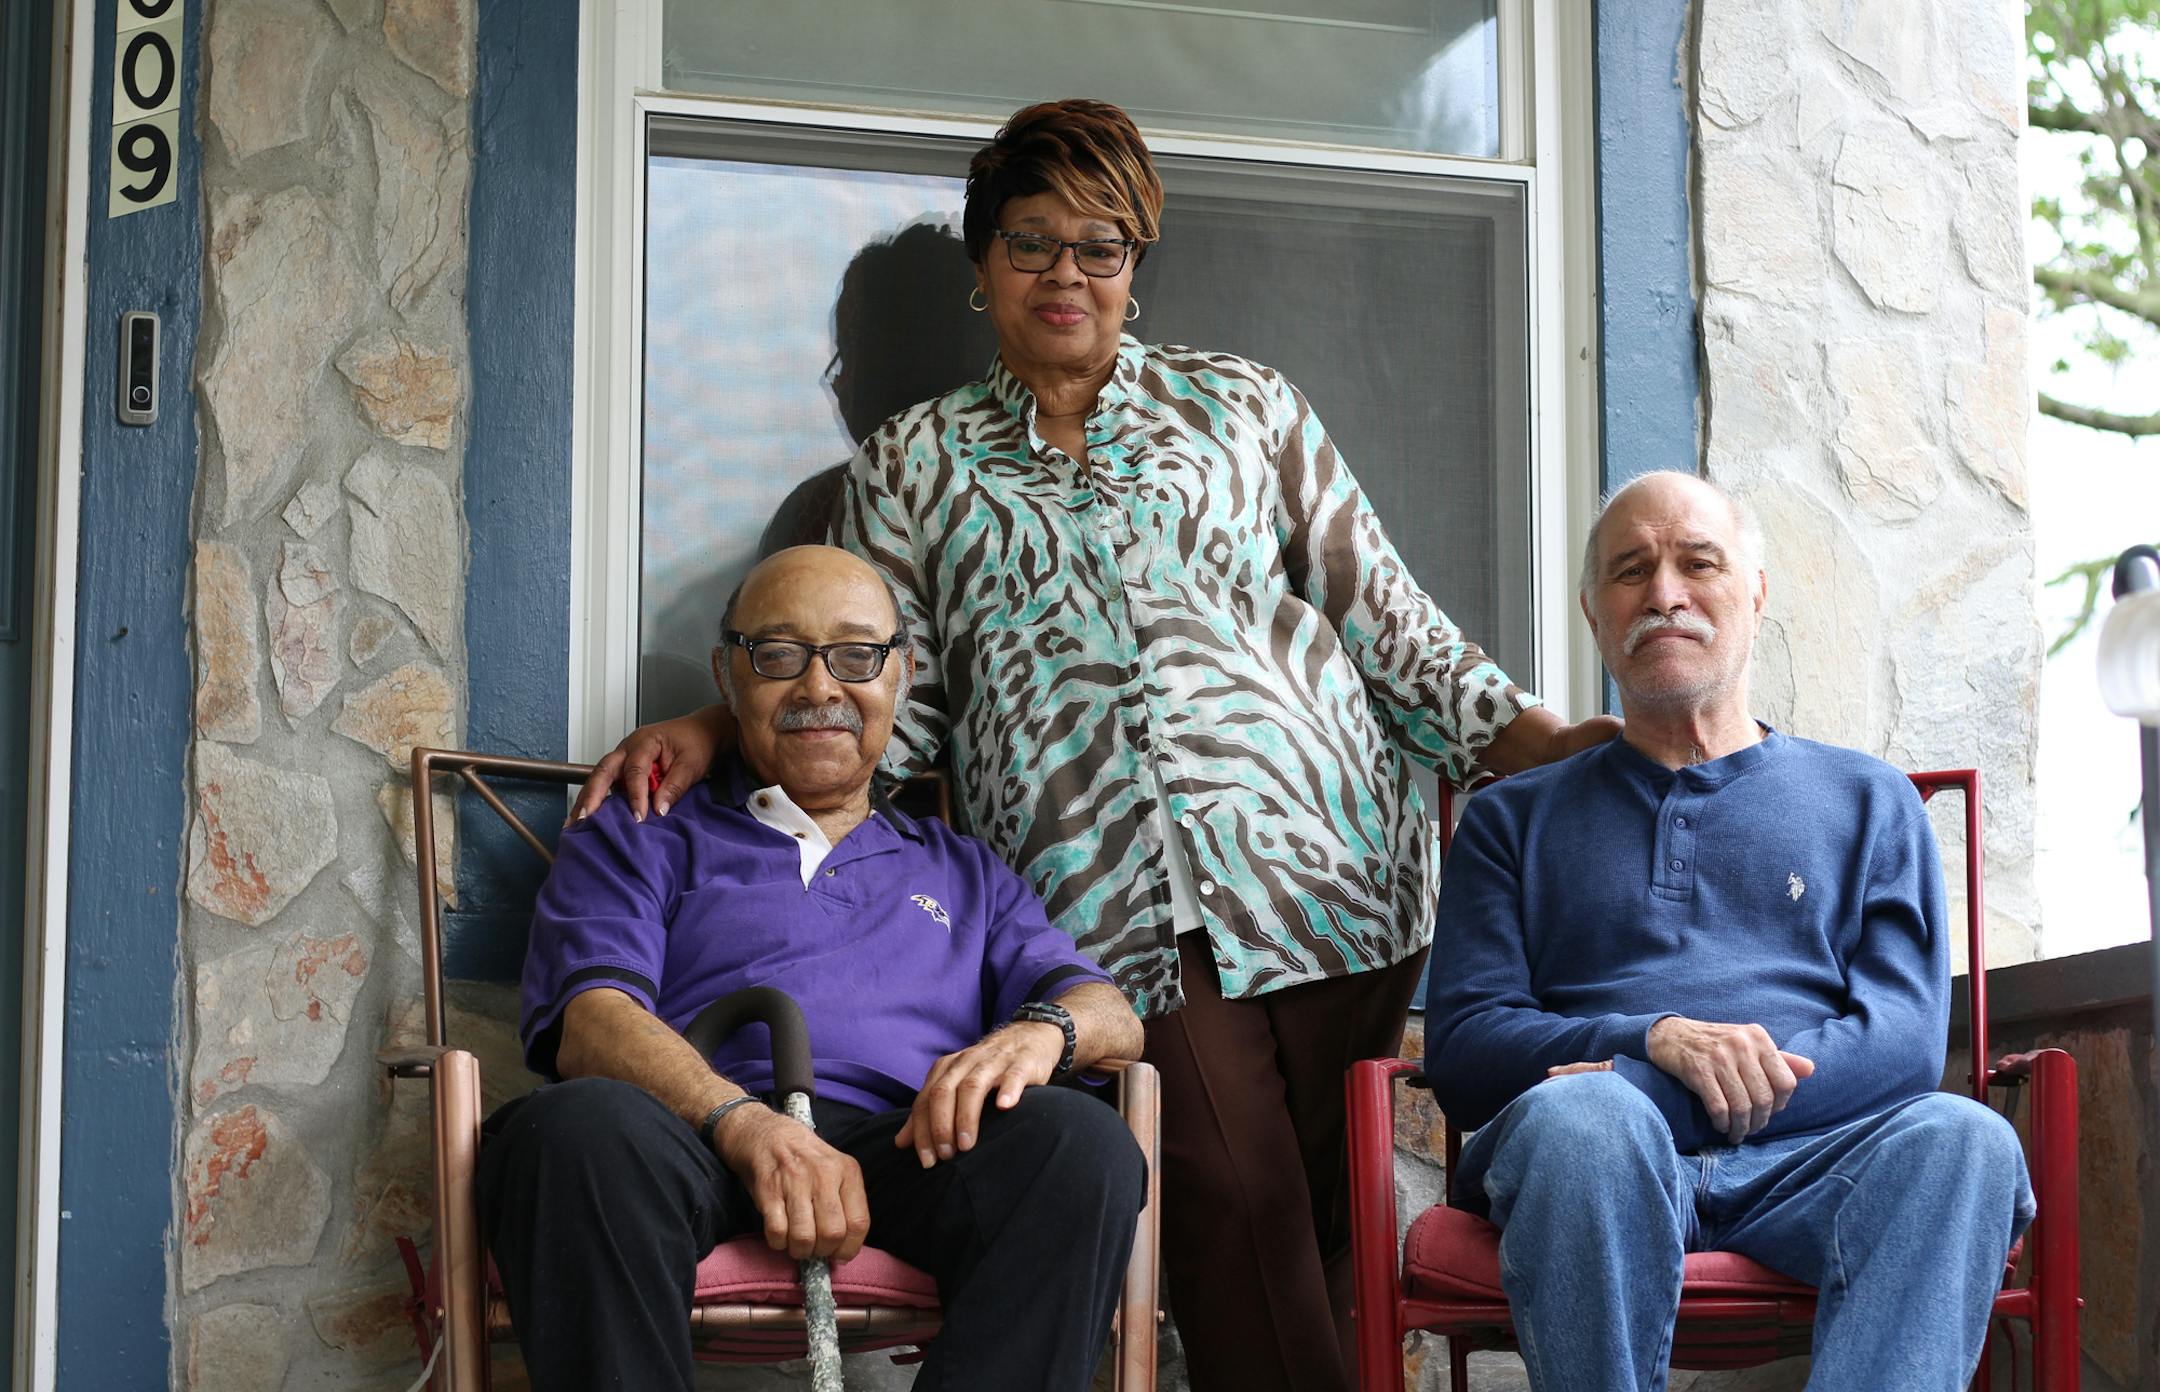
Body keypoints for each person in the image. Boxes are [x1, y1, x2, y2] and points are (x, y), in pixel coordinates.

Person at [575, 98, 1616, 1392]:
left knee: (1336, 1229)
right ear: (981, 268)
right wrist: (713, 724)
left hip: (1336, 877)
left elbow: (1385, 619)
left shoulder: (1245, 408)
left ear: (1136, 260)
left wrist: (1550, 740)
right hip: (1112, 909)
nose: (1065, 272)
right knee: (1236, 1213)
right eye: (1030, 242)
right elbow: (878, 700)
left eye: (1100, 244)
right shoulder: (913, 466)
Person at [481, 545, 1148, 1392]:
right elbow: (591, 1020)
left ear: (900, 675)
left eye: (856, 655)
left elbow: (1110, 1012)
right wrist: (750, 1128)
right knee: (570, 1132)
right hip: (693, 1135)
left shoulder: (964, 871)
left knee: (1083, 1147)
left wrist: (1043, 1032)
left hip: (906, 1147)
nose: (821, 688)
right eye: (780, 655)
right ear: (728, 677)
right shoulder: (642, 826)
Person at [1421, 471, 2035, 1391]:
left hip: (1819, 1159)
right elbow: (1467, 1053)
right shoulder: (1511, 820)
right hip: (1590, 1160)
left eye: (1696, 563)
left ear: (1754, 592)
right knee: (1588, 1120)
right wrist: (1651, 1044)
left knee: (1963, 1139)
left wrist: (1698, 1086)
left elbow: (1904, 1047)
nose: (1663, 593)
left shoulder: (1871, 803)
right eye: (1632, 571)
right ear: (1594, 612)